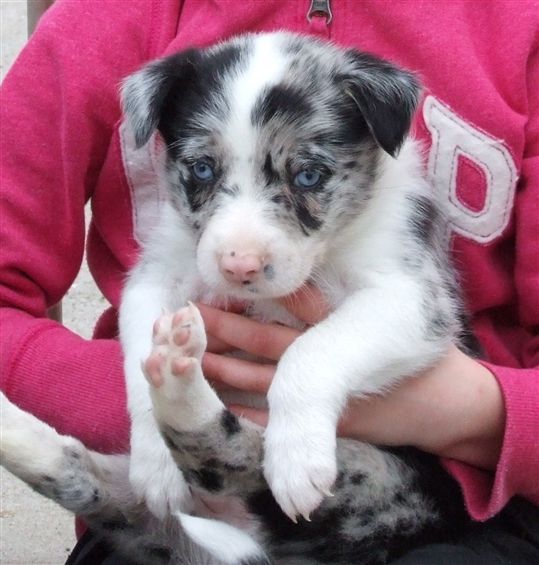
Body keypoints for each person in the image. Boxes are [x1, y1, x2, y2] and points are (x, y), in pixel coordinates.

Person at [1, 0, 537, 563]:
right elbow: (149, 289)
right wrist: (155, 411)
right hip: (185, 502)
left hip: (442, 503)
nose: (241, 259)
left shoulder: (515, 29)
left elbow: (410, 310)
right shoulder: (109, 22)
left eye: (307, 176)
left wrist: (468, 412)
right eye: (202, 171)